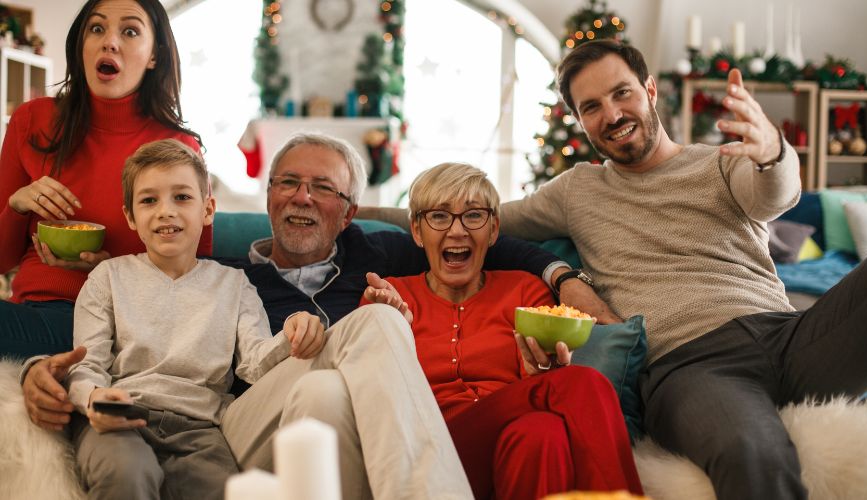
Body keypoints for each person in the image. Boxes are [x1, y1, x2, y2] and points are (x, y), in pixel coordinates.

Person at [23, 132, 578, 499]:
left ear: (350, 213)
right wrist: (37, 373)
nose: (302, 198)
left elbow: (481, 239)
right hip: (235, 423)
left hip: (271, 417)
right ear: (267, 197)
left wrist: (561, 274)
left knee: (335, 380)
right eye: (288, 182)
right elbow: (83, 349)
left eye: (322, 188)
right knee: (353, 353)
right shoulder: (230, 272)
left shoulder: (378, 252)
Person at [489, 40, 867, 500]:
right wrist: (560, 273)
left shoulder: (720, 163)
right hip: (690, 367)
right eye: (591, 107)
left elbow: (774, 195)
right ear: (579, 121)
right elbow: (478, 220)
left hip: (790, 337)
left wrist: (772, 150)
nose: (612, 115)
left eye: (622, 93)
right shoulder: (578, 191)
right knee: (749, 450)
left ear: (650, 90)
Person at [361, 162, 643, 499]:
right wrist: (387, 326)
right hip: (429, 453)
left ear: (493, 230)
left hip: (503, 441)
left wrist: (540, 373)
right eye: (439, 216)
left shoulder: (525, 290)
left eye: (473, 216)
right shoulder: (388, 297)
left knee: (541, 433)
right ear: (418, 231)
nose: (457, 231)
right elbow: (373, 401)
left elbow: (536, 387)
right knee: (585, 383)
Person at [67, 139, 299, 499]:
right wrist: (93, 398)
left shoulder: (234, 285)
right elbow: (85, 364)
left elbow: (254, 365)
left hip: (200, 431)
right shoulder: (107, 277)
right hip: (120, 419)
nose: (165, 211)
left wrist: (293, 335)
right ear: (130, 216)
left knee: (223, 492)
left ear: (208, 209)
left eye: (182, 197)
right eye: (148, 200)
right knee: (127, 475)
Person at [0, 0, 209, 359]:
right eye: (96, 28)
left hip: (115, 323)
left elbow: (193, 278)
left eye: (129, 31)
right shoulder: (33, 120)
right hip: (29, 310)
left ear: (154, 56)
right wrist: (18, 206)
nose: (109, 41)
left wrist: (107, 268)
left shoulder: (178, 149)